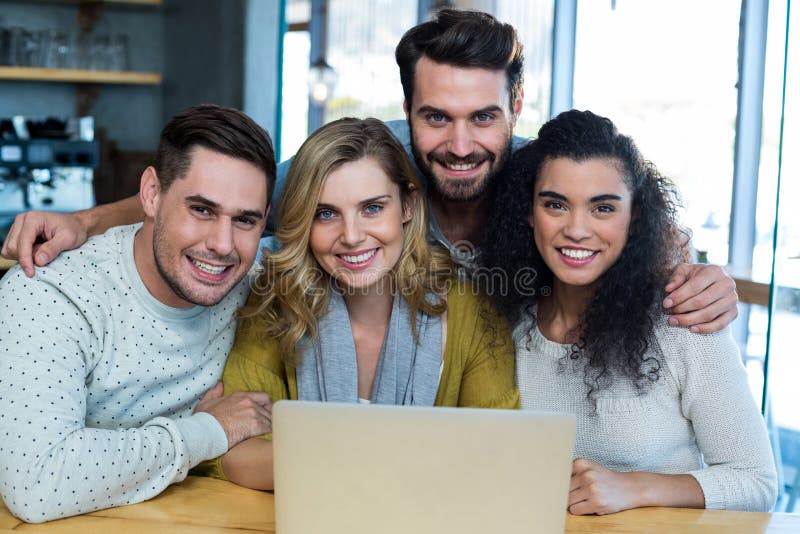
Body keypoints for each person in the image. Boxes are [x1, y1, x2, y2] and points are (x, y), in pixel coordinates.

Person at [1, 9, 738, 334]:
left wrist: (696, 269)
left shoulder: (548, 174)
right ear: (407, 109)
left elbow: (638, 223)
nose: (459, 144)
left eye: (484, 117)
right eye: (436, 118)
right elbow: (224, 200)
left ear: (517, 104)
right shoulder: (367, 167)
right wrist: (84, 221)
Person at [195, 117, 518, 490]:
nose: (351, 236)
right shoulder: (275, 304)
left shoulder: (473, 311)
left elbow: (499, 455)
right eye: (326, 213)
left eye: (372, 208)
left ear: (408, 206)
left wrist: (319, 461)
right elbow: (233, 454)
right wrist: (403, 462)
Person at [480, 109, 777, 514]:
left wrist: (634, 489)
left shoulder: (683, 319)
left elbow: (756, 481)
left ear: (633, 218)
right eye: (555, 205)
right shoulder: (509, 323)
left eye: (603, 208)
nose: (578, 229)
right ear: (530, 214)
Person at [0, 105, 278, 522]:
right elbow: (39, 482)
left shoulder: (256, 290)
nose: (222, 244)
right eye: (201, 209)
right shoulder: (51, 291)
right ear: (151, 194)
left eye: (244, 220)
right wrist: (209, 432)